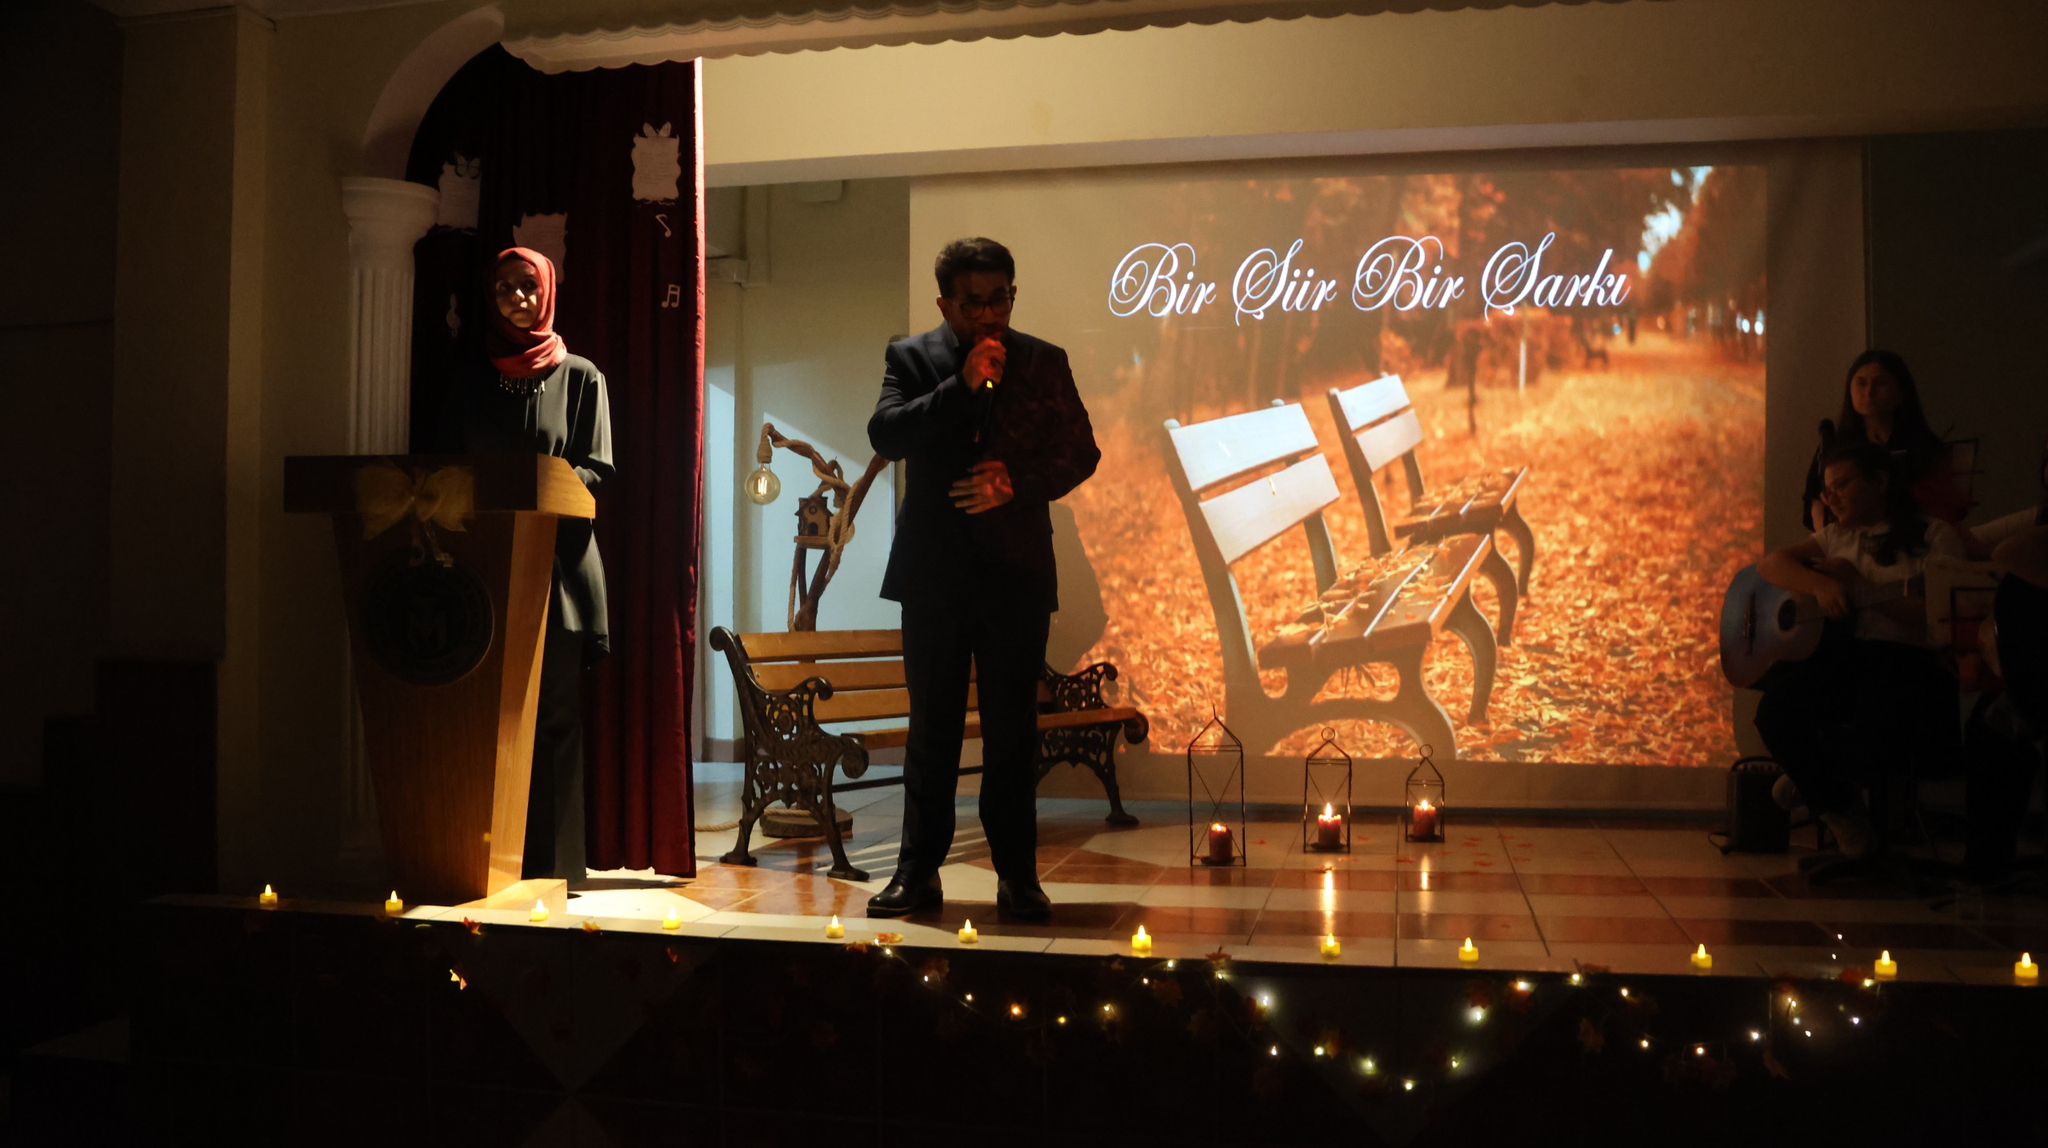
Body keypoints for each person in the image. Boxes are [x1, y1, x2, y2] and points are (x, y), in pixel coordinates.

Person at [864, 237, 1100, 921]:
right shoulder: (912, 358)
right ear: (946, 304)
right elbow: (887, 435)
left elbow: (1081, 451)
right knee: (932, 730)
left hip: (1015, 575)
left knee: (1012, 733)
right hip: (934, 576)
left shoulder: (1044, 361)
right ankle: (917, 873)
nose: (991, 314)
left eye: (1001, 299)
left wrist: (1016, 482)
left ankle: (1018, 876)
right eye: (975, 304)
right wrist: (960, 386)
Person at [440, 247, 614, 882]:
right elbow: (448, 469)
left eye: (527, 286)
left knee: (555, 716)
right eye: (503, 288)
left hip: (558, 565)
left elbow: (596, 472)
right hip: (482, 564)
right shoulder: (470, 379)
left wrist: (539, 489)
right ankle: (488, 859)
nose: (517, 298)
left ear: (548, 292)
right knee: (486, 717)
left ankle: (554, 868)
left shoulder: (582, 376)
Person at [1757, 441, 1966, 858]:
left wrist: (1859, 587)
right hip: (1844, 658)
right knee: (1775, 709)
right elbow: (1771, 564)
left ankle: (1816, 772)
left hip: (1910, 662)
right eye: (1827, 489)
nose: (1831, 497)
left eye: (1843, 484)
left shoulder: (1934, 535)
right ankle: (1839, 811)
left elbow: (1942, 617)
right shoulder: (1835, 536)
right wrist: (1821, 584)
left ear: (1880, 481)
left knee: (1877, 712)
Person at [1800, 349, 1967, 532]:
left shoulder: (1922, 443)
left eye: (1880, 383)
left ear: (1901, 392)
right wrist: (1831, 540)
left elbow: (1943, 504)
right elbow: (1815, 502)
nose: (1869, 392)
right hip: (1848, 538)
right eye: (1861, 383)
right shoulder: (1835, 445)